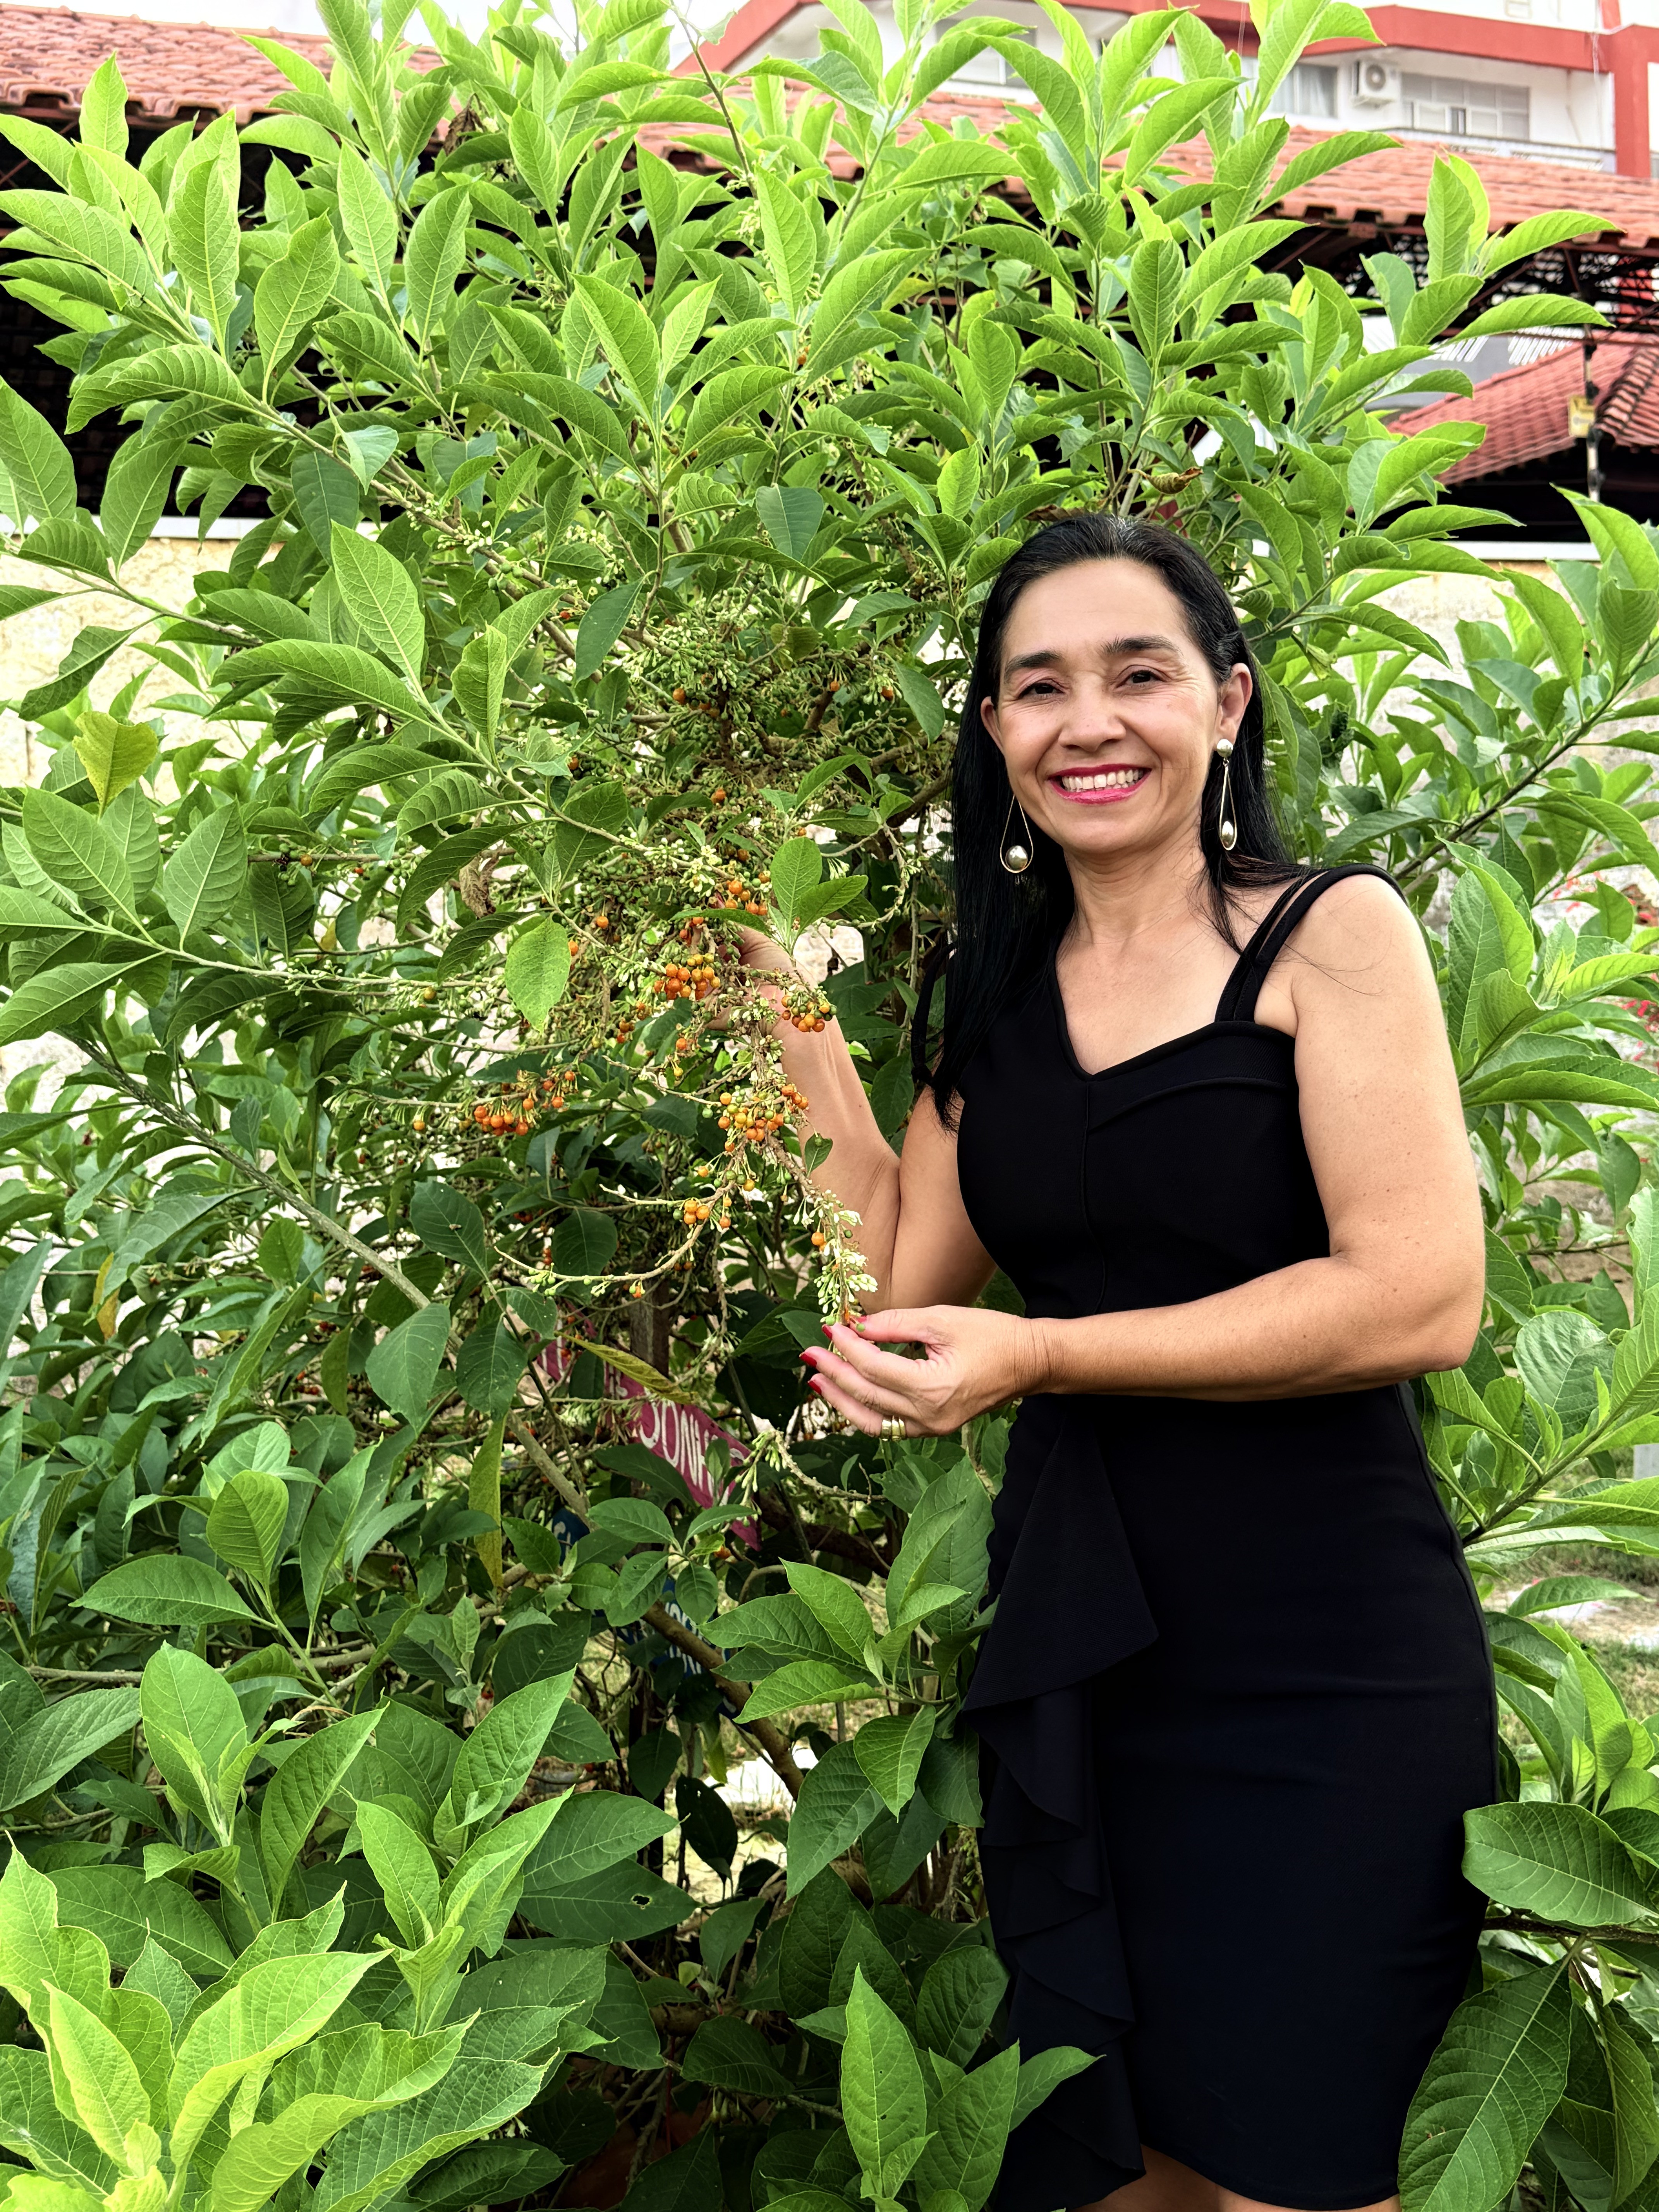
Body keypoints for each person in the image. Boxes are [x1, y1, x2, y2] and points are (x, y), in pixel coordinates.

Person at [739, 513, 1496, 2212]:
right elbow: (891, 1275)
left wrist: (1043, 1356)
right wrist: (770, 994)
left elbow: (1415, 1298)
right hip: (1092, 1648)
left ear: (1226, 702)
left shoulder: (1327, 933)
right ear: (994, 732)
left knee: (1305, 2171)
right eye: (1039, 687)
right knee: (1124, 2165)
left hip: (1327, 1660)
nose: (1089, 721)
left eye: (1136, 673)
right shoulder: (998, 993)